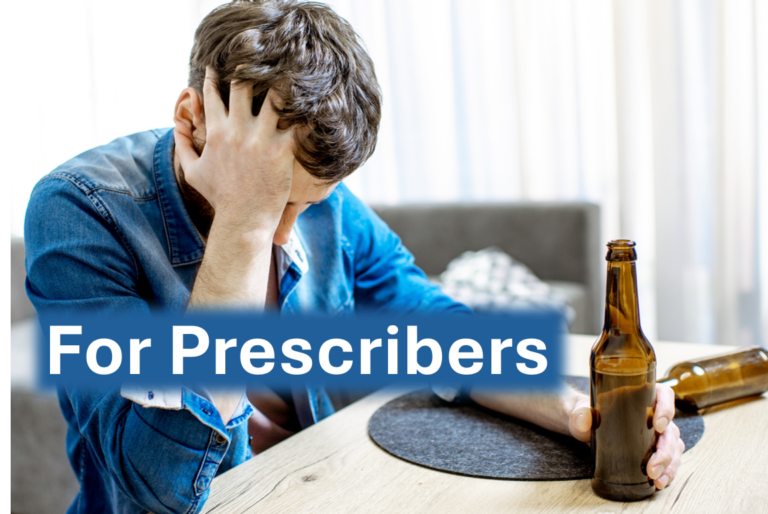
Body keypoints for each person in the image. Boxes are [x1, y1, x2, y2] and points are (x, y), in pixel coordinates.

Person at [24, 1, 683, 513]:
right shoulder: (79, 212)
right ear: (192, 120)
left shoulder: (326, 209)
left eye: (303, 204)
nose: (288, 233)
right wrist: (243, 225)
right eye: (274, 199)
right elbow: (153, 492)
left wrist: (575, 413)